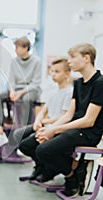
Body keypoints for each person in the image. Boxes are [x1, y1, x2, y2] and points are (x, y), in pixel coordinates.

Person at [19, 43, 103, 198]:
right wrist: (49, 128)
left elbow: (89, 120)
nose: (69, 62)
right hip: (73, 129)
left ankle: (72, 175)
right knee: (36, 145)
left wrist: (55, 130)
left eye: (73, 57)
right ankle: (76, 168)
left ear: (86, 58)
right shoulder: (78, 83)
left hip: (89, 132)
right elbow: (69, 114)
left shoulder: (100, 83)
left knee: (44, 150)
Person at [5, 57, 72, 178]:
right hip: (46, 124)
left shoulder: (69, 92)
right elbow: (44, 110)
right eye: (52, 71)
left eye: (57, 71)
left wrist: (44, 121)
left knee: (26, 145)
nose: (53, 74)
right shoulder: (54, 91)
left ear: (67, 74)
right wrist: (38, 120)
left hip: (56, 128)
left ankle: (47, 167)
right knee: (17, 134)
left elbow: (64, 116)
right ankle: (41, 165)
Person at [0, 36, 42, 150]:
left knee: (27, 99)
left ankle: (24, 135)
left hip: (30, 90)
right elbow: (11, 80)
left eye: (17, 47)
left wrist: (21, 93)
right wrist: (12, 91)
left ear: (26, 48)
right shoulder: (14, 61)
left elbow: (36, 83)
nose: (15, 50)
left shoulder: (36, 61)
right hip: (16, 89)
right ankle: (0, 131)